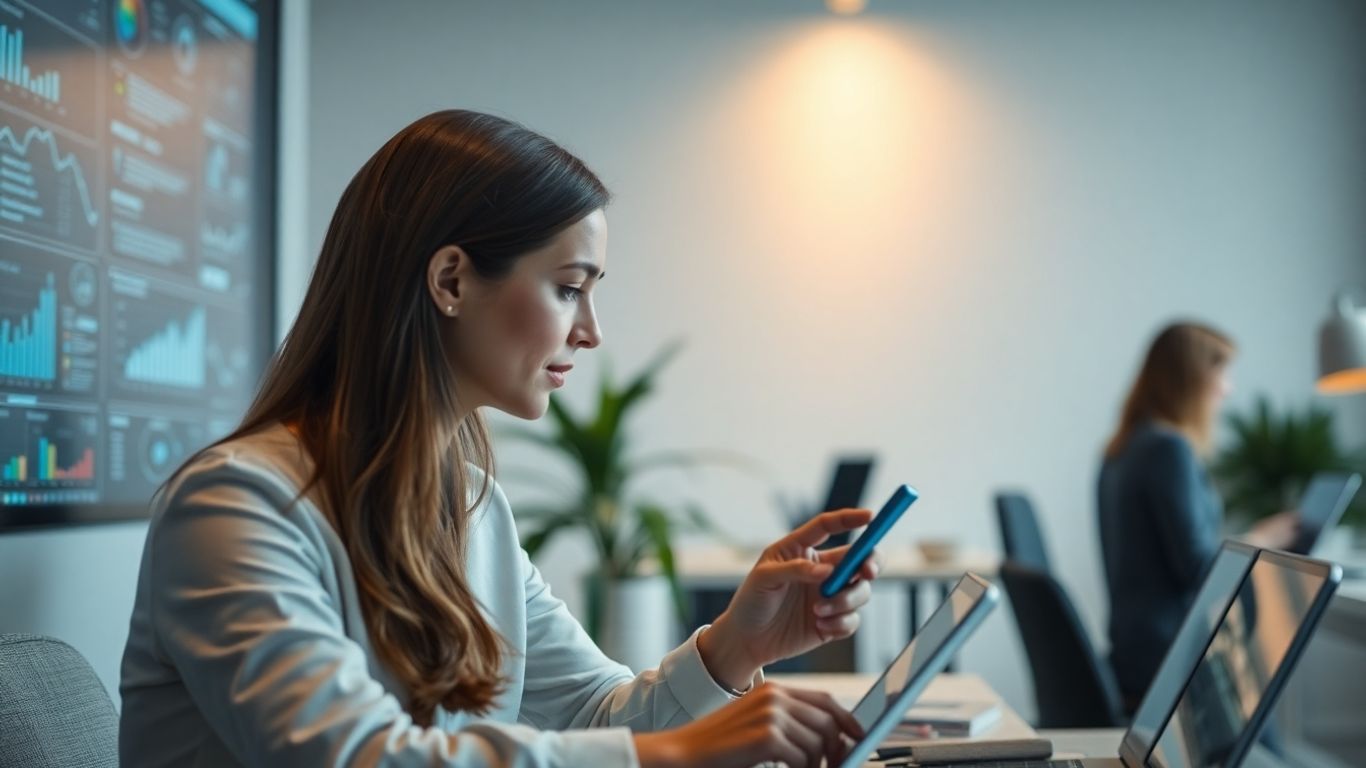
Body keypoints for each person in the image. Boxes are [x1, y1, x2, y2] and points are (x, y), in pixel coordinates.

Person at [120, 110, 881, 768]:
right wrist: (674, 753)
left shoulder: (470, 505)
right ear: (450, 281)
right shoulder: (236, 506)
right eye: (569, 288)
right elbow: (350, 755)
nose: (590, 332)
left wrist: (736, 648)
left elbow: (594, 720)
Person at [1097, 322, 1297, 709]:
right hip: (1172, 656)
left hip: (1133, 649)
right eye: (1222, 373)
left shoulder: (1120, 450)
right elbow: (1198, 569)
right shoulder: (1168, 449)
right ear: (1190, 379)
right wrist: (1262, 539)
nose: (1228, 388)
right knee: (1261, 717)